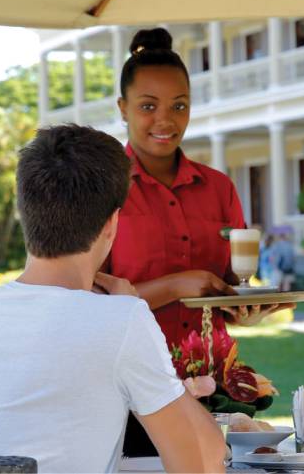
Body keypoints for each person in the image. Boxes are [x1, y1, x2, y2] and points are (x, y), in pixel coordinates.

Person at [0, 124, 226, 473]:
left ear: (25, 211)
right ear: (111, 225)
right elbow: (205, 462)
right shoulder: (121, 320)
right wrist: (131, 315)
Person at [106, 27, 292, 455]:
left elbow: (231, 287)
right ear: (123, 108)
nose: (165, 120)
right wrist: (175, 285)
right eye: (148, 106)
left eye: (179, 106)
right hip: (130, 391)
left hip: (214, 387)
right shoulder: (105, 191)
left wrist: (248, 309)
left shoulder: (219, 189)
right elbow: (86, 301)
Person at [269, 227, 296, 291]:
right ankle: (287, 296)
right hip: (289, 268)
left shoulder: (276, 245)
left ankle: (279, 297)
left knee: (278, 284)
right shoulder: (290, 245)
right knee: (287, 283)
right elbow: (293, 257)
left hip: (279, 267)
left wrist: (273, 265)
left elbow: (272, 257)